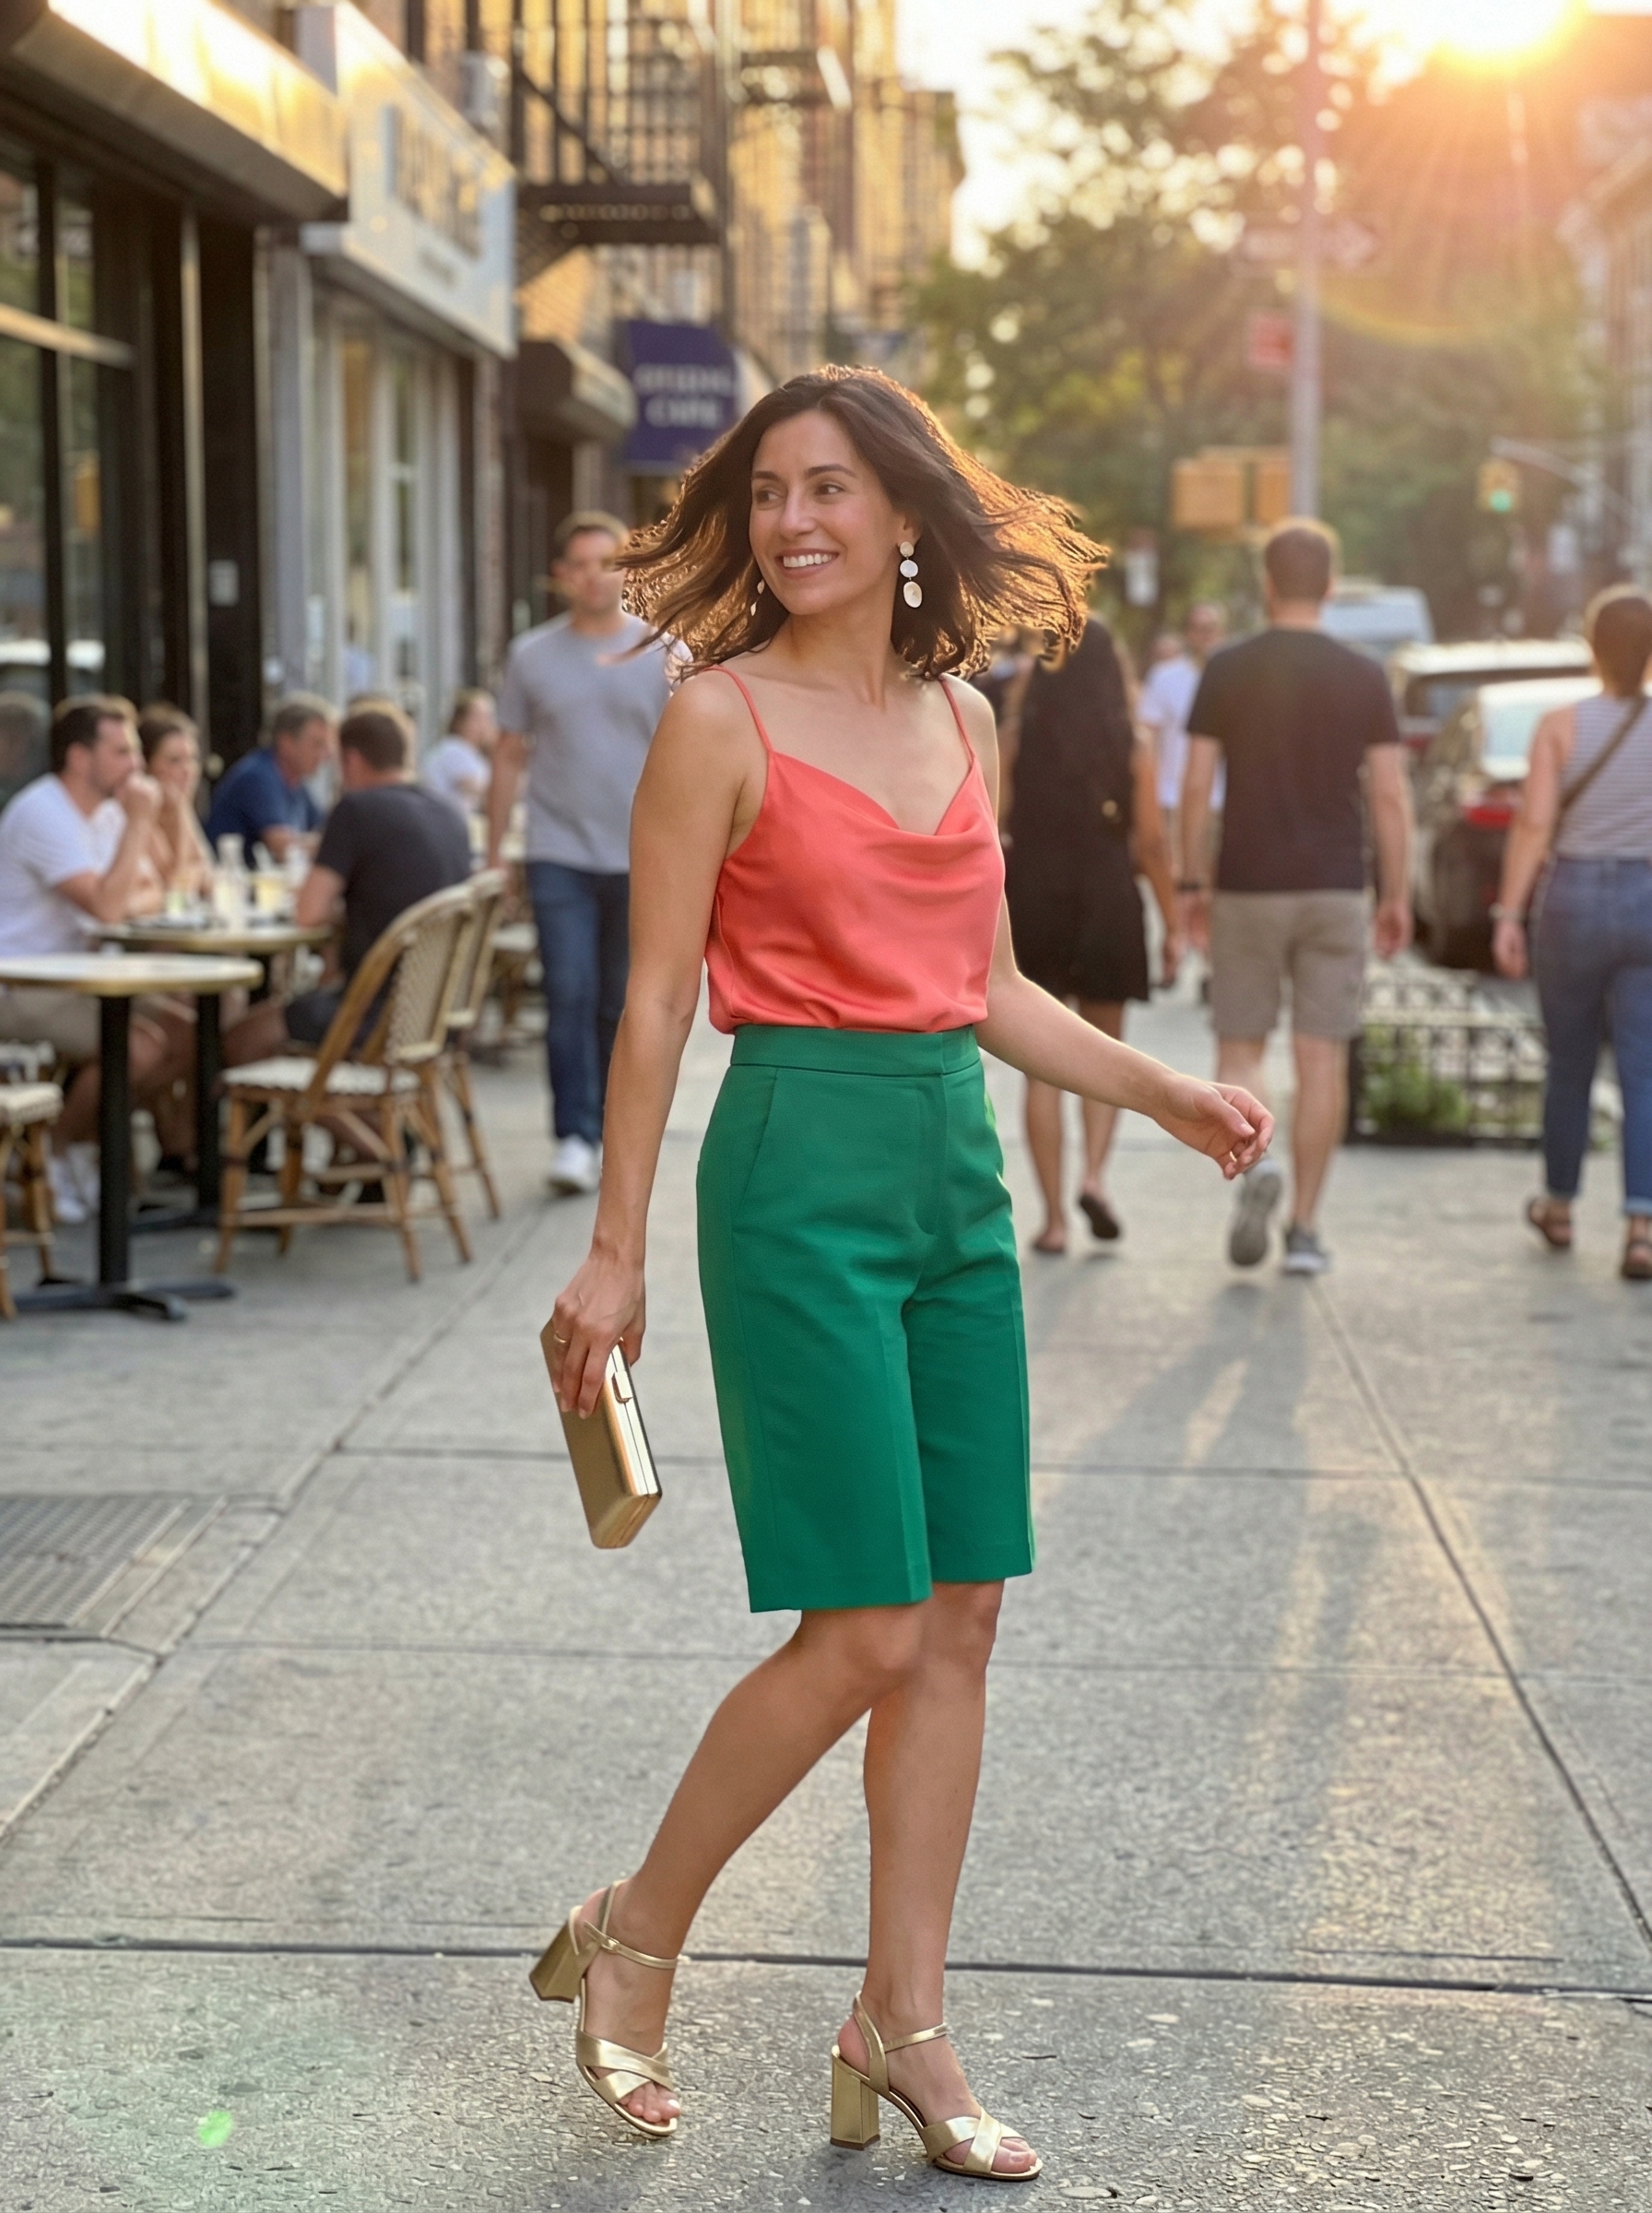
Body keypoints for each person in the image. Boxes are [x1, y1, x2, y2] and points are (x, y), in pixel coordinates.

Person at [536, 367, 1271, 2174]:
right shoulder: (715, 717)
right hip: (793, 1166)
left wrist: (1160, 1088)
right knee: (859, 1619)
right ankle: (637, 1936)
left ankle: (904, 2023)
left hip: (949, 1163)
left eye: (829, 491)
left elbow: (985, 985)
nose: (791, 522)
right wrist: (613, 1248)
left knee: (958, 1615)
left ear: (905, 518)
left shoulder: (961, 718)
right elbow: (647, 999)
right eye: (768, 493)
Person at [1181, 521, 1411, 1276]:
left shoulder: (1227, 668)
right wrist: (1395, 892)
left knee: (1241, 1046)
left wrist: (1190, 882)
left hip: (1248, 882)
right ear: (1332, 585)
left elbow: (1194, 785)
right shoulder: (1365, 674)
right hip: (1336, 883)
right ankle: (1305, 1229)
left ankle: (1261, 1164)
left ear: (1268, 585)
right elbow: (1389, 794)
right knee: (1322, 1060)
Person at [489, 512, 672, 1196]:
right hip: (557, 850)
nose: (595, 575)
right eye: (581, 564)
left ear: (627, 569)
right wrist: (492, 850)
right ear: (562, 577)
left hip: (641, 856)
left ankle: (607, 1130)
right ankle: (571, 1134)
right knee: (567, 991)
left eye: (608, 561)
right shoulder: (531, 655)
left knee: (619, 1003)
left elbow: (688, 757)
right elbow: (509, 754)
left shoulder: (663, 651)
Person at [998, 618, 1181, 1251]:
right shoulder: (1132, 744)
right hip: (1107, 895)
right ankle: (1096, 1179)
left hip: (1034, 896)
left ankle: (1052, 1219)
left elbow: (991, 826)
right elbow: (1152, 844)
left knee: (1041, 1069)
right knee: (1105, 1053)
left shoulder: (1018, 737)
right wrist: (1175, 925)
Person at [1493, 585, 1652, 1281]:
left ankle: (1558, 1205)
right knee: (1646, 1071)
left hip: (1574, 897)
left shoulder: (1559, 725)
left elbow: (1532, 826)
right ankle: (1642, 1224)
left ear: (1591, 646)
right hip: (1648, 897)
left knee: (1570, 1062)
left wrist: (1507, 913)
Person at [0, 694, 187, 1222]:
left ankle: (81, 1143)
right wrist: (138, 826)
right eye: (122, 752)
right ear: (81, 759)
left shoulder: (106, 812)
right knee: (140, 1048)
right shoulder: (44, 811)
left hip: (81, 975)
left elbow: (164, 886)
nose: (135, 765)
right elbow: (111, 908)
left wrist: (156, 823)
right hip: (20, 982)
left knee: (186, 1034)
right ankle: (57, 1151)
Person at [225, 704, 470, 1062]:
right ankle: (384, 1117)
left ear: (351, 759)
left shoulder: (356, 811)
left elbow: (308, 914)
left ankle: (329, 1113)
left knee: (238, 1040)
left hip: (374, 1014)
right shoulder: (450, 815)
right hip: (438, 1012)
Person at [1137, 601, 1225, 883]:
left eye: (1210, 629)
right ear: (1188, 634)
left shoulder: (1236, 680)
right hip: (1173, 798)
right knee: (1179, 884)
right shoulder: (1165, 677)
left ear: (1221, 632)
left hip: (1224, 800)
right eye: (1198, 630)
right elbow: (1146, 739)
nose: (1205, 637)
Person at [205, 693, 336, 862]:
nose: (327, 755)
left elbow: (326, 829)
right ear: (286, 742)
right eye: (318, 744)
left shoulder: (296, 782)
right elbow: (283, 848)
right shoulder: (258, 776)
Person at [137, 704, 214, 901]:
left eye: (192, 759)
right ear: (146, 765)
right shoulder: (137, 814)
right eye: (174, 761)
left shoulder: (180, 804)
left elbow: (209, 875)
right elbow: (176, 890)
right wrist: (179, 813)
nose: (188, 771)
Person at [423, 689, 497, 828]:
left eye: (488, 717)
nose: (486, 724)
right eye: (478, 718)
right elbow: (485, 792)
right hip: (441, 827)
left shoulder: (473, 754)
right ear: (460, 721)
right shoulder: (454, 748)